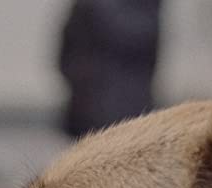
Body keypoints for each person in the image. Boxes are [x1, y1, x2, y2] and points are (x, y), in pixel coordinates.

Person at [58, 0, 163, 139]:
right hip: (131, 110)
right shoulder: (148, 12)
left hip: (89, 106)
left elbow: (66, 56)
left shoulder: (88, 7)